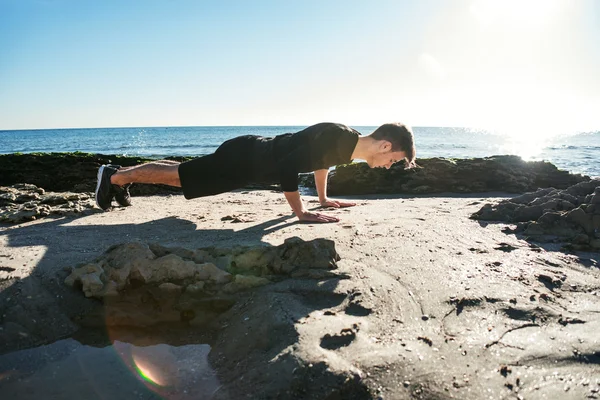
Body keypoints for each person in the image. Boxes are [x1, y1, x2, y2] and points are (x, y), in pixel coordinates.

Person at [95, 122, 416, 223]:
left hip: (249, 161)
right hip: (245, 157)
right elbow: (290, 166)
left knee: (183, 174)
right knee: (181, 177)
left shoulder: (347, 145)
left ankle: (119, 175)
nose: (389, 166)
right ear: (386, 146)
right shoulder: (341, 136)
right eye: (394, 160)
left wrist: (324, 198)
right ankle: (114, 177)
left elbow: (321, 163)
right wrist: (301, 212)